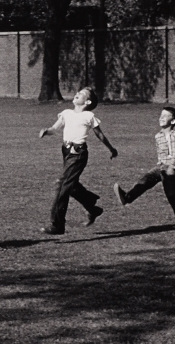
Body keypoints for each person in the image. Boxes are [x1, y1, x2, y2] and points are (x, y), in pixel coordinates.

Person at [38, 86, 117, 235]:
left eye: (81, 94)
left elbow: (100, 135)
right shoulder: (66, 113)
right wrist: (46, 131)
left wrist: (111, 149)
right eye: (78, 92)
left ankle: (57, 224)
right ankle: (91, 206)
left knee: (62, 186)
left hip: (78, 155)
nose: (77, 94)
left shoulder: (89, 116)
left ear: (87, 102)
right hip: (66, 151)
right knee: (70, 185)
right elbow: (55, 128)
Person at [112, 106, 175, 227]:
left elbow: (174, 151)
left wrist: (173, 166)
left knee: (172, 195)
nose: (161, 117)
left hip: (170, 169)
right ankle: (127, 197)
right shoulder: (158, 135)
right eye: (161, 115)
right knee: (144, 181)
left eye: (165, 116)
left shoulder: (172, 135)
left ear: (173, 121)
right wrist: (160, 163)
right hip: (160, 167)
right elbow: (161, 153)